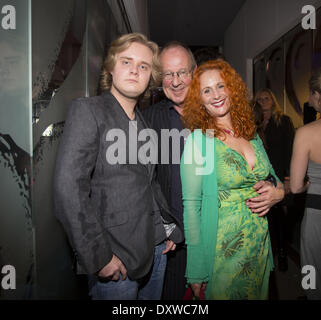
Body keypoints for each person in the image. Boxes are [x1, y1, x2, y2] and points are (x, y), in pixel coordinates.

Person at [53, 33, 183, 300]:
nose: (135, 70)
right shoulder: (88, 110)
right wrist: (98, 257)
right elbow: (68, 189)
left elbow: (150, 182)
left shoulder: (144, 123)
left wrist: (167, 226)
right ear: (111, 68)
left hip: (157, 248)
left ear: (150, 77)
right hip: (116, 256)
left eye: (144, 66)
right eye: (126, 62)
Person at [180, 59, 285, 300]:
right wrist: (195, 270)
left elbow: (275, 179)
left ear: (232, 90)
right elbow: (191, 207)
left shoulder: (251, 134)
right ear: (199, 100)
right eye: (206, 90)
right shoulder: (200, 141)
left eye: (220, 86)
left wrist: (279, 193)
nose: (215, 95)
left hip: (258, 245)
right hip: (223, 252)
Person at [143, 41, 197, 300]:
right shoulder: (148, 119)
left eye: (182, 72)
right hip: (171, 243)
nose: (175, 82)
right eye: (167, 74)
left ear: (194, 73)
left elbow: (249, 161)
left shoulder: (217, 114)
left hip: (215, 240)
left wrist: (272, 184)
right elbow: (139, 182)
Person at [254, 88, 295, 272]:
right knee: (268, 220)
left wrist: (288, 177)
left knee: (283, 219)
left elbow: (291, 150)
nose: (263, 101)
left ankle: (283, 253)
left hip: (280, 175)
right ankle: (271, 256)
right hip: (262, 179)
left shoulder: (283, 121)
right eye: (260, 99)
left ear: (273, 100)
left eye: (266, 98)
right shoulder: (254, 123)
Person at [290, 68, 321, 300]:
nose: (308, 99)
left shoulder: (306, 133)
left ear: (318, 96)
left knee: (312, 275)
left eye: (311, 94)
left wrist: (306, 184)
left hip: (316, 214)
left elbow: (295, 187)